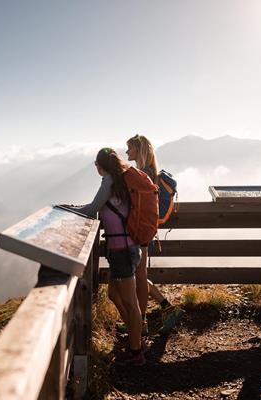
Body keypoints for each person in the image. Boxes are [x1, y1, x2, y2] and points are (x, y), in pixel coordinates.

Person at [67, 148, 146, 365]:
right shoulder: (122, 179)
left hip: (122, 250)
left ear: (101, 165)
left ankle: (136, 351)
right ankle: (135, 334)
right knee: (113, 294)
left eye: (95, 164)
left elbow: (92, 209)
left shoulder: (109, 181)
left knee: (130, 302)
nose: (95, 168)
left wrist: (69, 209)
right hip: (127, 248)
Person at [126, 134, 185, 334]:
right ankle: (165, 308)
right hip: (147, 231)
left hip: (141, 232)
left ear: (139, 150)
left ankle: (140, 324)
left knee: (139, 277)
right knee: (138, 276)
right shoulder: (152, 173)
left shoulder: (144, 174)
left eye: (130, 148)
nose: (126, 152)